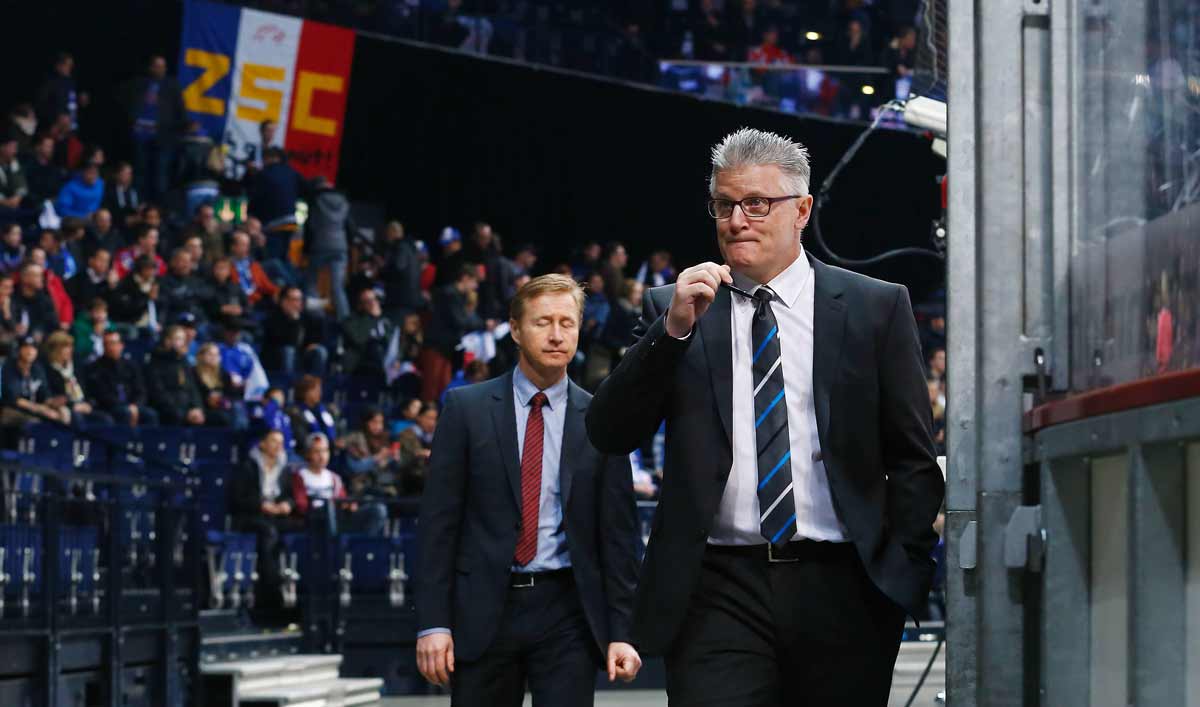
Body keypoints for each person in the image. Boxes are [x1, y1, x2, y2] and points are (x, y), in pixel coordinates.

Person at [586, 128, 944, 705]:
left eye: (756, 203)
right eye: (724, 204)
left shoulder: (875, 307)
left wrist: (901, 571)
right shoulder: (674, 309)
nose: (736, 220)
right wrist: (672, 332)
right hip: (716, 589)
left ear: (801, 210)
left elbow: (911, 456)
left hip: (845, 586)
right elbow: (608, 431)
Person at [416, 274, 642, 704]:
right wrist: (433, 624)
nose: (557, 335)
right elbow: (437, 526)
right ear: (516, 330)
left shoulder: (602, 417)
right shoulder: (466, 410)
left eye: (567, 322)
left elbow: (618, 536)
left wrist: (622, 632)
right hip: (482, 609)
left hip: (568, 612)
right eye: (542, 323)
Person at [229, 429, 298, 607]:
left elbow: (290, 495)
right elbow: (236, 499)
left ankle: (295, 582)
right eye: (274, 441)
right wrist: (261, 505)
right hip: (251, 515)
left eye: (281, 442)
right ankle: (271, 587)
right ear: (263, 444)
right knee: (268, 532)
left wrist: (287, 505)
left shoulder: (285, 467)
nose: (278, 446)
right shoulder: (248, 466)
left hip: (276, 515)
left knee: (300, 527)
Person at [289, 432, 386, 536]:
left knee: (377, 510)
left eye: (325, 451)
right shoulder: (299, 476)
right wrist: (330, 507)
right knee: (328, 513)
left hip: (338, 518)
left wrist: (348, 505)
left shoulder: (334, 478)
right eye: (316, 451)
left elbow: (342, 500)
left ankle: (363, 548)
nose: (321, 456)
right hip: (316, 521)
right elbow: (302, 506)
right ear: (308, 454)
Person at [303, 176, 354, 320]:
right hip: (340, 247)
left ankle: (315, 316)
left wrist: (306, 249)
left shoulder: (315, 200)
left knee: (311, 283)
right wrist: (347, 245)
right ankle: (345, 321)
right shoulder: (343, 200)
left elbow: (310, 226)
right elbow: (350, 226)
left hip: (319, 245)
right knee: (338, 287)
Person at [84, 330, 158, 426]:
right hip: (110, 406)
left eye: (113, 343)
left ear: (121, 345)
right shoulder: (95, 367)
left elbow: (140, 390)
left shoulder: (131, 365)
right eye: (107, 344)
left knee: (150, 414)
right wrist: (126, 407)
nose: (110, 347)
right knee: (124, 413)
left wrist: (135, 405)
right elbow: (102, 395)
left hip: (133, 405)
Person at [1, 335, 67, 427]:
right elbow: (15, 399)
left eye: (33, 348)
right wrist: (40, 409)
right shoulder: (9, 367)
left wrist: (53, 401)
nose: (30, 351)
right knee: (38, 420)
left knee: (64, 412)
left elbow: (44, 393)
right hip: (12, 410)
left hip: (34, 407)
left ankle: (63, 441)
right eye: (26, 347)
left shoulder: (37, 369)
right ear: (19, 350)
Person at [261, 286, 328, 376]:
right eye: (294, 299)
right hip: (278, 358)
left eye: (300, 299)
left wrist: (313, 344)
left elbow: (316, 336)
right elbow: (283, 342)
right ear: (284, 302)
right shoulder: (274, 318)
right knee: (289, 351)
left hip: (301, 355)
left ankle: (315, 384)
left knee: (320, 351)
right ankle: (288, 384)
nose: (298, 303)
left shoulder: (306, 317)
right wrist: (294, 322)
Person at [146, 325, 206, 426]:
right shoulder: (155, 362)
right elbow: (158, 393)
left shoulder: (183, 361)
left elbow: (193, 389)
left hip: (187, 409)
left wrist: (197, 408)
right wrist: (184, 412)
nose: (183, 343)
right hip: (169, 409)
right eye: (179, 339)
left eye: (183, 339)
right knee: (176, 416)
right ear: (167, 341)